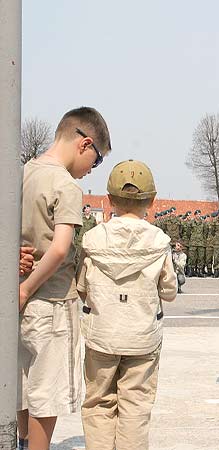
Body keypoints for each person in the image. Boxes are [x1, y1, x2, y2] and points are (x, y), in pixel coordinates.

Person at [18, 106, 111, 450]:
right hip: (53, 300)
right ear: (85, 144)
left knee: (24, 385)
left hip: (23, 301)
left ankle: (21, 442)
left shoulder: (25, 172)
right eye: (96, 161)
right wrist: (27, 289)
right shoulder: (66, 185)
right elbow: (59, 250)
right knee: (48, 394)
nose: (91, 170)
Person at [77, 159, 177, 450]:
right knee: (135, 405)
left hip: (102, 335)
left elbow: (82, 287)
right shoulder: (159, 241)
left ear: (109, 200)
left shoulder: (93, 239)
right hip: (142, 337)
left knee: (98, 404)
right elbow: (169, 291)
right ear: (152, 200)